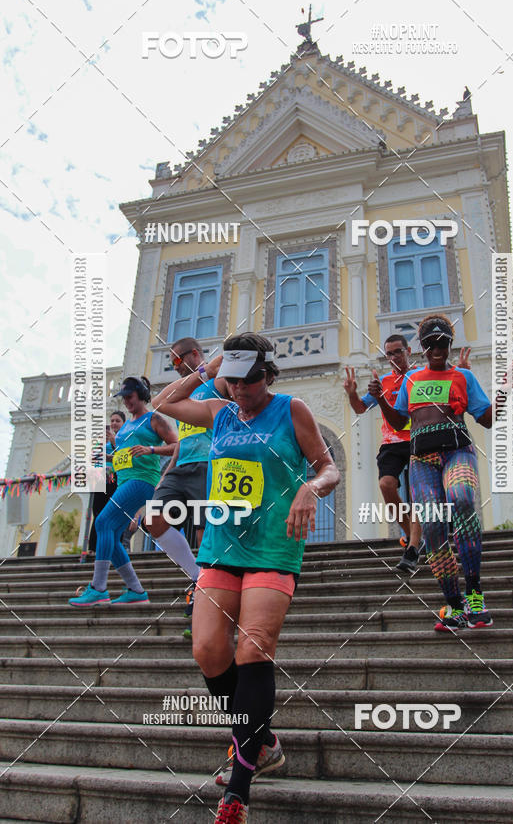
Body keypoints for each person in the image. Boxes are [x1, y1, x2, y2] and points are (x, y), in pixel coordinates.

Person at [153, 333, 340, 824]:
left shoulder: (291, 410)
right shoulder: (220, 412)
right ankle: (264, 742)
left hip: (273, 545)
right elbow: (163, 403)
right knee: (207, 650)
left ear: (269, 375)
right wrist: (210, 367)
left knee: (253, 648)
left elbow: (328, 468)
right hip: (221, 547)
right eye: (232, 381)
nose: (240, 390)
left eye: (249, 381)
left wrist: (310, 489)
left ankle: (238, 791)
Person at [369, 314, 495, 631]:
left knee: (462, 498)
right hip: (422, 458)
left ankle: (475, 594)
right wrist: (381, 399)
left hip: (457, 451)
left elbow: (487, 419)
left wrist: (506, 392)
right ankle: (454, 605)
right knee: (434, 526)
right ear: (422, 348)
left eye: (442, 344)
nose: (437, 350)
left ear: (450, 344)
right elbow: (399, 422)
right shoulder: (412, 380)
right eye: (430, 345)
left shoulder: (463, 376)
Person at [68, 376, 178, 607]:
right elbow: (124, 456)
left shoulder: (153, 419)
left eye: (130, 397)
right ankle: (136, 590)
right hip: (125, 481)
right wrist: (107, 457)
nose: (127, 401)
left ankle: (99, 588)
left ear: (141, 395)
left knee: (102, 522)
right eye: (124, 398)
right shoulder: (126, 426)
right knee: (113, 535)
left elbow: (176, 445)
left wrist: (151, 449)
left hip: (142, 481)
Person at [141, 338, 228, 582]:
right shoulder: (181, 393)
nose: (176, 366)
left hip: (208, 463)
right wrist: (166, 474)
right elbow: (182, 439)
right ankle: (197, 576)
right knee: (153, 519)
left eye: (178, 359)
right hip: (181, 467)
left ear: (195, 354)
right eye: (172, 363)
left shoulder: (216, 381)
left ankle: (210, 584)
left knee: (203, 531)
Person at [343, 334, 423, 572]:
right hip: (392, 442)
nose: (394, 357)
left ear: (408, 351)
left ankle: (413, 547)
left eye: (398, 351)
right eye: (389, 353)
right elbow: (360, 408)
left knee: (417, 494)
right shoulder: (384, 381)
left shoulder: (420, 376)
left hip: (418, 439)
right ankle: (412, 535)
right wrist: (351, 393)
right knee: (386, 485)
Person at [87, 411, 126, 558]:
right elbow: (93, 459)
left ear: (123, 423)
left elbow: (125, 455)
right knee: (98, 512)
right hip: (101, 478)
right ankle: (93, 547)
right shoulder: (103, 441)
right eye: (112, 421)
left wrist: (114, 441)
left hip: (117, 478)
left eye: (117, 421)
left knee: (116, 512)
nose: (114, 423)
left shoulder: (125, 438)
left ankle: (116, 547)